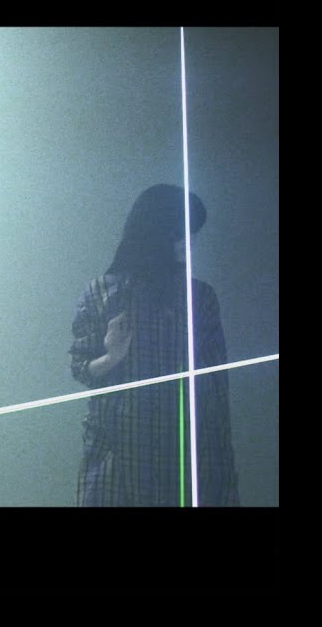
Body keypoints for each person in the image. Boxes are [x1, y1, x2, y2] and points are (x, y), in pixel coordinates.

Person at [69, 184, 239, 506]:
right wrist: (112, 357)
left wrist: (223, 476)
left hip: (183, 457)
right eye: (182, 233)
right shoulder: (102, 293)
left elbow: (216, 389)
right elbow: (81, 368)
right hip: (117, 459)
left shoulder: (200, 297)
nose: (189, 243)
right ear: (158, 231)